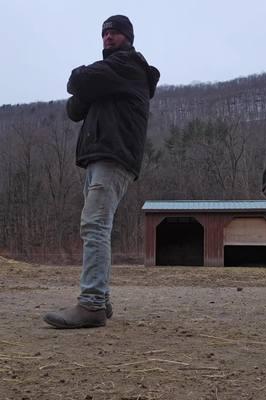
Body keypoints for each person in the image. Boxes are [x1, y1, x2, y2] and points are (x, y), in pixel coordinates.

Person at [43, 15, 160, 329]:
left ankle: (92, 303)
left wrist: (88, 83)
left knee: (94, 226)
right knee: (97, 226)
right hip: (101, 157)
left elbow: (77, 82)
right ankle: (101, 299)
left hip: (113, 156)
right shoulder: (111, 76)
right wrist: (91, 87)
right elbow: (74, 110)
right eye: (105, 33)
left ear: (128, 37)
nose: (109, 37)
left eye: (116, 33)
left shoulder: (130, 65)